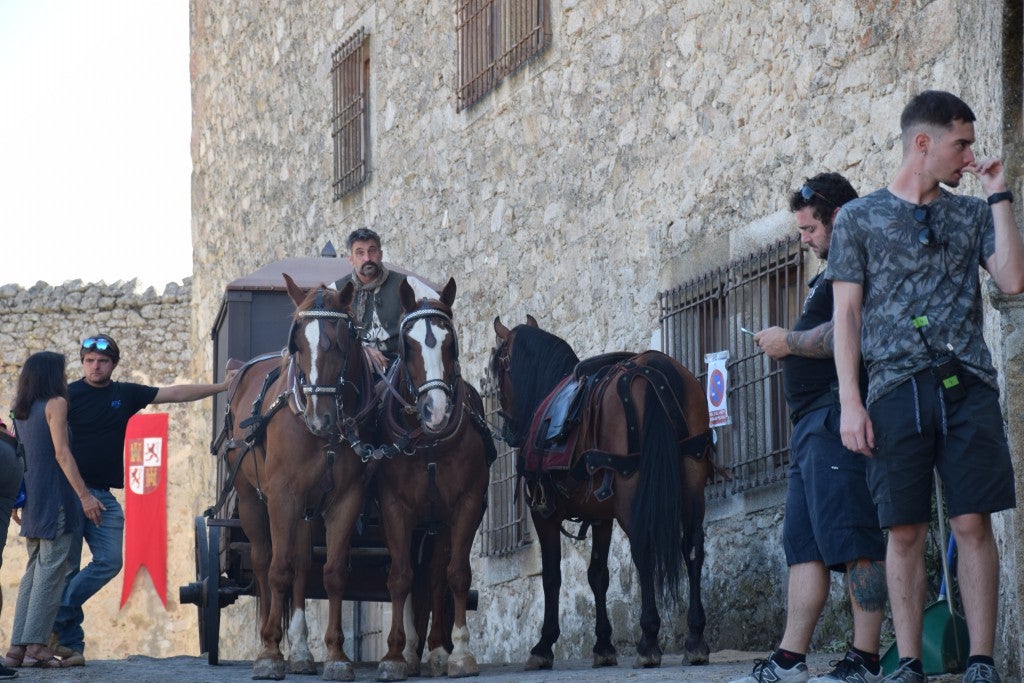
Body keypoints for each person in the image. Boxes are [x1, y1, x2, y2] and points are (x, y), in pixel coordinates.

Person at [829, 90, 1024, 683]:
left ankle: (982, 662)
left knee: (971, 523)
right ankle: (909, 663)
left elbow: (1013, 280)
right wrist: (850, 403)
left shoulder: (971, 214)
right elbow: (846, 317)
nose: (969, 156)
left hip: (967, 386)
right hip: (893, 389)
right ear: (923, 143)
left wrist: (998, 194)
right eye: (960, 144)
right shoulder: (857, 218)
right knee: (905, 530)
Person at [732, 173, 887, 683]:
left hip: (836, 417)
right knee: (803, 545)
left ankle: (865, 659)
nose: (803, 239)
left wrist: (789, 342)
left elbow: (850, 330)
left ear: (837, 217)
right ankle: (789, 659)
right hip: (809, 428)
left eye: (809, 229)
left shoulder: (858, 260)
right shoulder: (828, 274)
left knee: (855, 537)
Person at [50, 334, 236, 667]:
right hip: (69, 492)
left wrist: (223, 386)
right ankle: (70, 645)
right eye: (89, 361)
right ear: (83, 363)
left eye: (102, 361)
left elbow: (175, 393)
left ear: (113, 364)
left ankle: (56, 617)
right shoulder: (67, 395)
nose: (95, 366)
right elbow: (49, 444)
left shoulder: (125, 394)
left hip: (102, 495)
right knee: (67, 569)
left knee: (109, 562)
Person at [5, 352, 103, 672]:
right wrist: (85, 496)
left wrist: (18, 499)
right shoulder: (56, 403)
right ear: (52, 375)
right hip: (57, 497)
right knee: (51, 572)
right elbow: (62, 454)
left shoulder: (20, 410)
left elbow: (22, 456)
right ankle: (36, 645)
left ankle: (17, 649)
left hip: (34, 499)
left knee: (33, 571)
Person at [337, 227, 408, 372]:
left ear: (380, 254)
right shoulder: (336, 291)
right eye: (360, 253)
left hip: (401, 370)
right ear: (351, 259)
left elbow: (438, 310)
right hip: (353, 372)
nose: (367, 258)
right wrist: (361, 350)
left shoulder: (407, 285)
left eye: (372, 251)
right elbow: (326, 335)